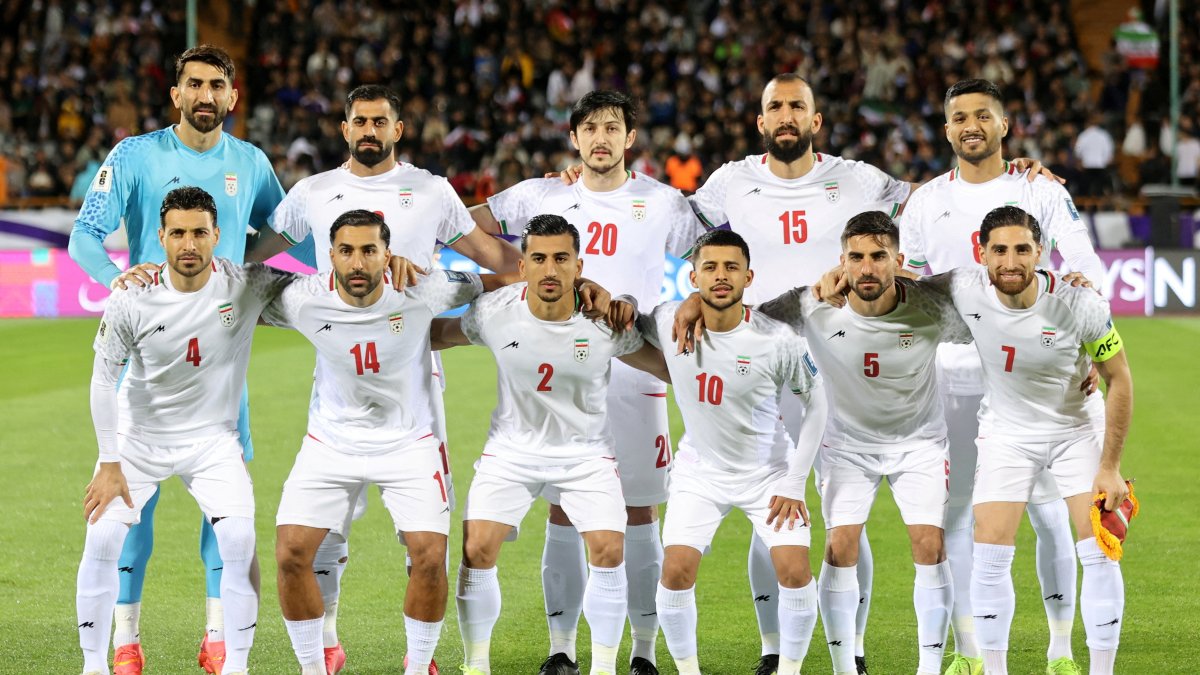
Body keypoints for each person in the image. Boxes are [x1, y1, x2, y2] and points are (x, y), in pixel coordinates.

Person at [252, 83, 521, 674]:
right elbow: (255, 257)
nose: (369, 130)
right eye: (359, 121)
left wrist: (557, 273)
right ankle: (325, 641)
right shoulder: (313, 192)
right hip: (338, 367)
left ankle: (420, 657)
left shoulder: (431, 190)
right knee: (323, 534)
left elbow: (492, 258)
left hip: (415, 378)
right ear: (344, 128)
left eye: (380, 121)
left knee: (423, 541)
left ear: (398, 129)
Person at [67, 44, 312, 675]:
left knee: (224, 513)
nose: (206, 95)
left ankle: (217, 637)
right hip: (147, 358)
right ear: (176, 93)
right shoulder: (133, 156)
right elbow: (83, 235)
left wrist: (269, 271)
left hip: (220, 365)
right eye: (194, 84)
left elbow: (290, 233)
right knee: (130, 511)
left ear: (233, 96)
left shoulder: (251, 163)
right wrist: (117, 279)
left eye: (217, 85)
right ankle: (126, 640)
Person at [469, 90, 705, 675]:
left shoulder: (663, 202)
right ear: (573, 138)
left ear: (630, 138)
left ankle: (643, 652)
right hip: (565, 380)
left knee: (640, 514)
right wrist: (512, 273)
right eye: (590, 128)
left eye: (612, 127)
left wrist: (694, 298)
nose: (601, 138)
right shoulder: (542, 194)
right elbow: (464, 225)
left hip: (635, 372)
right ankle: (563, 650)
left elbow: (713, 256)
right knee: (562, 514)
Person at [899, 79, 1107, 675]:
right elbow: (909, 287)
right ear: (946, 129)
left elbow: (1084, 262)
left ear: (1004, 125)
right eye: (960, 117)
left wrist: (1088, 340)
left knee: (1049, 512)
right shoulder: (925, 201)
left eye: (983, 115)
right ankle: (971, 650)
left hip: (1035, 377)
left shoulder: (1037, 188)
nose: (972, 126)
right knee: (960, 515)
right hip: (952, 379)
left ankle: (1061, 649)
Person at [262, 210, 497, 675]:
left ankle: (419, 667)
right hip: (330, 442)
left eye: (369, 250)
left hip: (408, 443)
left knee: (430, 555)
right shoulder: (303, 298)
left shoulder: (425, 287)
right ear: (330, 256)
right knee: (290, 553)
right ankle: (313, 668)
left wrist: (577, 285)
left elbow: (494, 283)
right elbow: (229, 292)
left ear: (388, 255)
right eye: (346, 251)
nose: (357, 262)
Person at [431, 214, 668, 675]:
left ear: (579, 266)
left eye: (562, 258)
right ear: (522, 267)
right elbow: (440, 335)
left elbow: (663, 366)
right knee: (477, 549)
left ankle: (603, 668)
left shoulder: (604, 323)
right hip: (511, 451)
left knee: (608, 550)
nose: (550, 269)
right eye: (538, 259)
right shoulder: (494, 313)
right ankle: (476, 666)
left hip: (586, 455)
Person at [78, 186, 294, 675]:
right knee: (102, 539)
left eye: (200, 232)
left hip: (213, 441)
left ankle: (236, 665)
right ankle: (93, 665)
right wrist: (109, 462)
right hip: (138, 439)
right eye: (178, 233)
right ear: (161, 237)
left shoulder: (246, 284)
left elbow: (323, 293)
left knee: (238, 539)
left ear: (218, 235)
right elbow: (102, 380)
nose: (189, 244)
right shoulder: (133, 296)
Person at [755, 212, 973, 675]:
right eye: (856, 257)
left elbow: (998, 323)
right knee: (840, 548)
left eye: (878, 256)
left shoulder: (931, 307)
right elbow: (744, 322)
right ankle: (844, 669)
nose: (867, 268)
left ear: (898, 259)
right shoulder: (812, 305)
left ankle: (929, 670)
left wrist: (1079, 359)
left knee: (930, 546)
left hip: (920, 444)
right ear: (842, 261)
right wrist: (692, 305)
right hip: (846, 446)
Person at [948, 206, 1131, 675]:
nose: (1011, 262)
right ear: (981, 253)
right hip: (1007, 434)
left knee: (1099, 550)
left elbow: (1120, 378)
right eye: (999, 250)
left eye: (1022, 249)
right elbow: (895, 289)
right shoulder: (963, 291)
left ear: (1041, 252)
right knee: (989, 551)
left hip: (1076, 431)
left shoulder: (1079, 303)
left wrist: (1110, 467)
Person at [638, 229, 826, 675]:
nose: (721, 276)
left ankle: (789, 670)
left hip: (768, 472)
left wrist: (794, 481)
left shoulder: (778, 339)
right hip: (700, 472)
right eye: (710, 267)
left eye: (731, 267)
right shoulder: (668, 319)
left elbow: (817, 403)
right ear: (693, 278)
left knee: (795, 571)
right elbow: (622, 323)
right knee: (676, 571)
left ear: (748, 277)